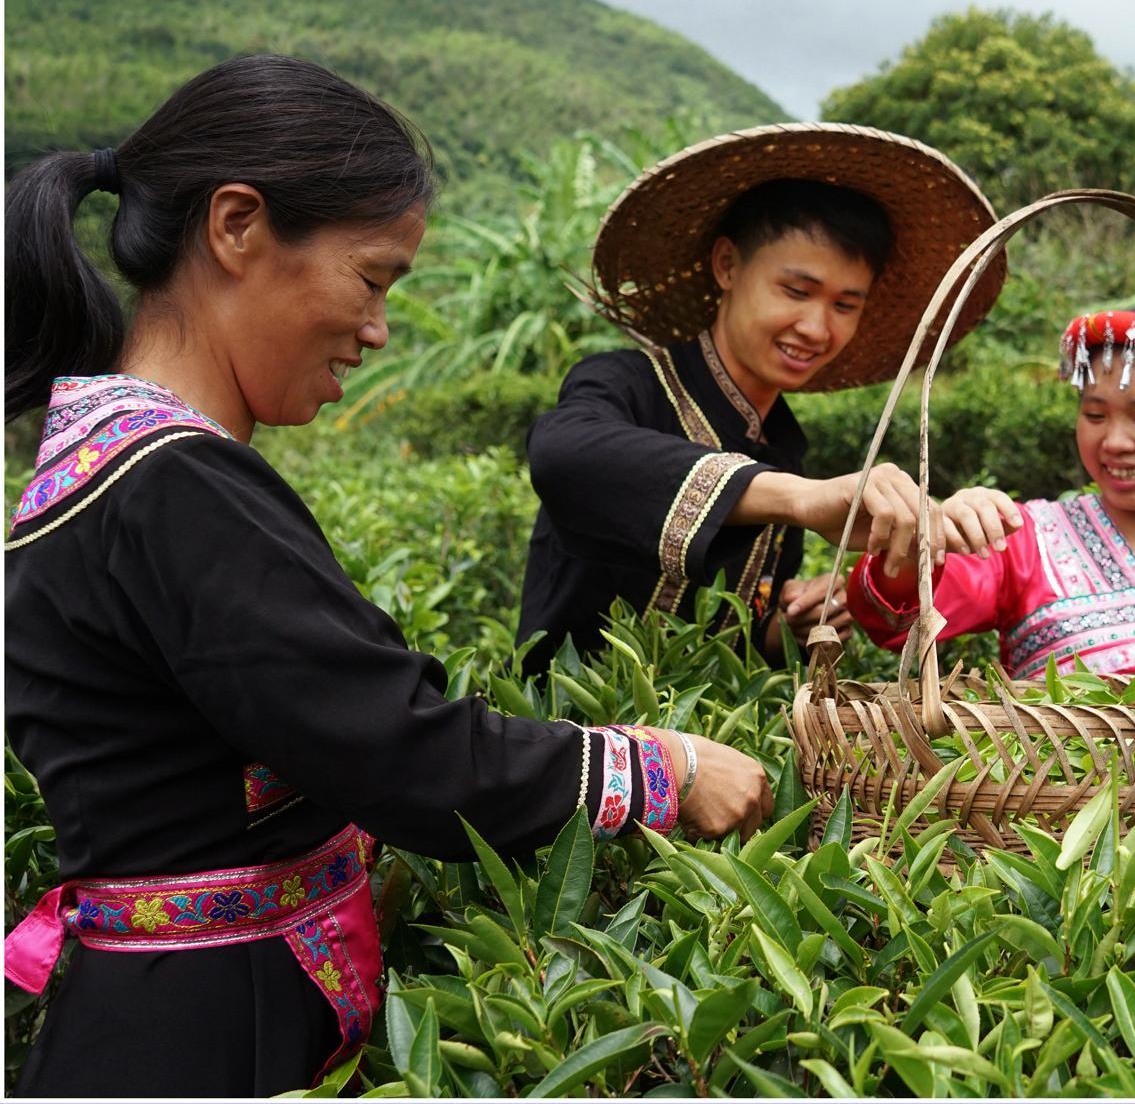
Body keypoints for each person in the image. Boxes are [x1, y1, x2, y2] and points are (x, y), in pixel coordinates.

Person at [2, 55, 771, 1099]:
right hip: (199, 1034)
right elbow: (398, 748)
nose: (377, 329)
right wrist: (658, 766)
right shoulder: (169, 481)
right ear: (236, 226)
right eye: (372, 278)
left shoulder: (121, 465)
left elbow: (274, 736)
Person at [517, 124, 1005, 677]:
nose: (817, 327)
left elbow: (743, 642)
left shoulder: (783, 444)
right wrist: (800, 499)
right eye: (796, 291)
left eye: (846, 305)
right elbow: (563, 454)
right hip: (573, 740)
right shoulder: (625, 383)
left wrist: (792, 623)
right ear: (727, 265)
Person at [848, 298, 1135, 682]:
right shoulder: (1025, 538)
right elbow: (899, 617)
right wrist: (930, 536)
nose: (1113, 441)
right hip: (1039, 795)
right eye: (1094, 415)